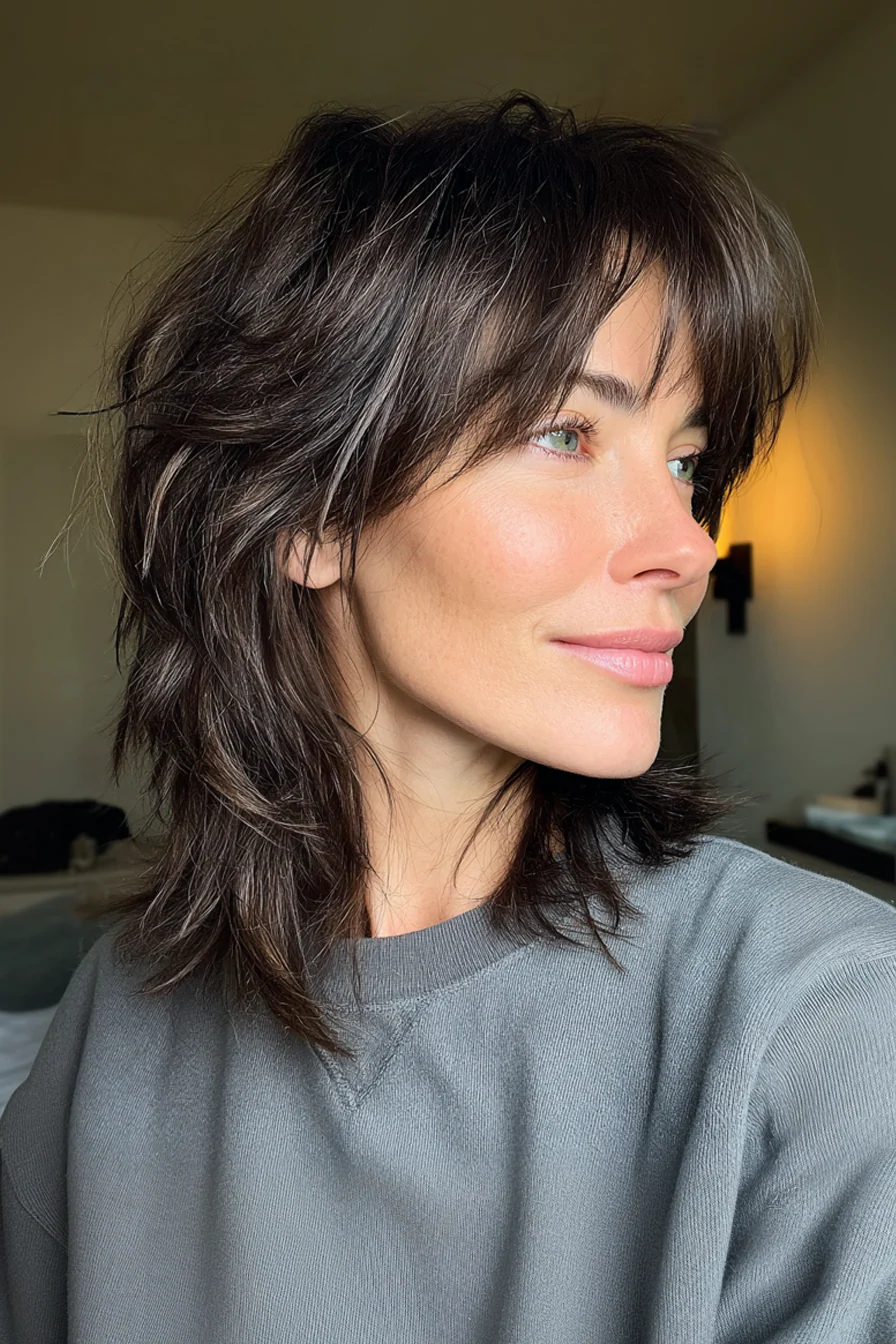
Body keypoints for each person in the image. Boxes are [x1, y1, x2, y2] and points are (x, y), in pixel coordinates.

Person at [2, 93, 895, 1343]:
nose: (688, 547)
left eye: (685, 463)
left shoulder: (824, 1015)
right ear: (310, 513)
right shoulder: (114, 1023)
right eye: (564, 433)